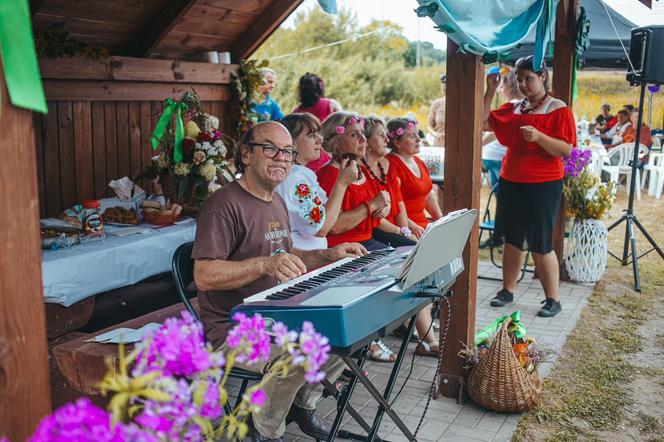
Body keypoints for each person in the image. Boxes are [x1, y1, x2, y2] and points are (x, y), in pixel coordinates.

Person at [193, 121, 367, 442]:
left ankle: (302, 404)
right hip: (232, 327)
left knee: (350, 330)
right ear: (246, 154)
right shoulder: (223, 205)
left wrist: (329, 256)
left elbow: (287, 254)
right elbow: (203, 275)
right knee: (303, 352)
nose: (281, 159)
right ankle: (261, 428)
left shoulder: (275, 201)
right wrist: (264, 264)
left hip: (276, 314)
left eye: (287, 152)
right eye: (270, 149)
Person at [483, 55, 576, 318]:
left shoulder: (558, 109)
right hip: (512, 180)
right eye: (519, 79)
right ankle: (507, 290)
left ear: (543, 77)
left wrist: (540, 137)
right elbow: (481, 121)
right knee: (512, 239)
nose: (523, 84)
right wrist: (490, 91)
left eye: (529, 79)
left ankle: (553, 299)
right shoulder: (515, 107)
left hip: (543, 184)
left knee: (540, 242)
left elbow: (566, 149)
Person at [276, 112, 357, 250]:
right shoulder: (296, 178)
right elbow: (320, 229)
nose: (320, 140)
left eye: (318, 134)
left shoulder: (299, 174)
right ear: (292, 144)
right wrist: (342, 183)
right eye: (311, 135)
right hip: (305, 263)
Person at [316, 112, 391, 251]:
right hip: (343, 248)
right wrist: (372, 205)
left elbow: (378, 208)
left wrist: (384, 206)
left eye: (362, 132)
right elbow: (334, 226)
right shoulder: (329, 175)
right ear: (336, 143)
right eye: (353, 135)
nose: (363, 139)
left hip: (367, 242)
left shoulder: (360, 170)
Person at [479, 68, 524, 249]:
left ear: (510, 85)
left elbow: (497, 132)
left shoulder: (515, 105)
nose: (499, 89)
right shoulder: (514, 105)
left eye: (502, 85)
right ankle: (501, 235)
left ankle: (503, 236)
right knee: (501, 199)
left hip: (498, 159)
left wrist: (479, 145)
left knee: (504, 200)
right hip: (494, 159)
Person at [362, 115, 416, 248]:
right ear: (366, 141)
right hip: (378, 231)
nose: (387, 140)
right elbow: (375, 218)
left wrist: (405, 230)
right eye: (381, 136)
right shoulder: (360, 170)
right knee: (413, 248)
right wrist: (400, 232)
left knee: (415, 245)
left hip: (395, 229)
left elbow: (399, 203)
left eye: (386, 135)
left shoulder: (386, 164)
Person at [386, 117, 443, 238]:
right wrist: (411, 227)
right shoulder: (391, 165)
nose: (418, 139)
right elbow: (392, 207)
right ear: (397, 142)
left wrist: (441, 220)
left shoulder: (418, 161)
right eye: (412, 136)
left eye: (417, 134)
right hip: (405, 228)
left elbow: (427, 194)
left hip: (422, 225)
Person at [293, 73, 343, 173]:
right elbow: (345, 126)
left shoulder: (296, 112)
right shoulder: (331, 104)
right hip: (328, 156)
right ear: (320, 88)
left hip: (304, 160)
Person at [427, 74, 446, 146]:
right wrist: (435, 134)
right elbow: (429, 125)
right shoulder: (437, 103)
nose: (446, 92)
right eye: (444, 90)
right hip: (439, 143)